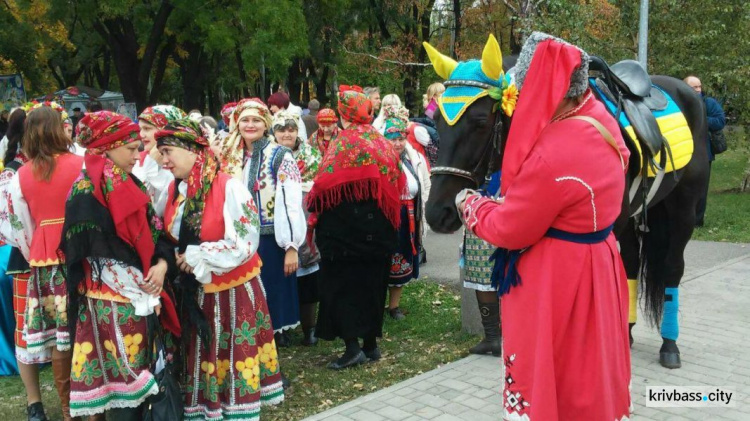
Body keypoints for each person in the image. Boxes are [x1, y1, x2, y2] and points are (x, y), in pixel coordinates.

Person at [456, 33, 631, 420]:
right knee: (587, 370)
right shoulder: (599, 117)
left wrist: (469, 203)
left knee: (553, 366)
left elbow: (508, 228)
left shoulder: (556, 151)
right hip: (596, 265)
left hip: (558, 281)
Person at [156, 119, 283, 419]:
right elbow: (168, 233)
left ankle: (236, 408)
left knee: (230, 354)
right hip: (196, 293)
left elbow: (245, 243)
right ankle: (207, 407)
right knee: (204, 354)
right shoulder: (175, 190)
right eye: (161, 153)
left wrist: (199, 255)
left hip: (231, 293)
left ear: (192, 150)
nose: (164, 160)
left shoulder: (229, 187)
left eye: (168, 151)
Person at [59, 111, 180, 419]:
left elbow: (156, 235)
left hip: (138, 298)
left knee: (141, 377)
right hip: (110, 306)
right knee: (120, 389)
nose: (138, 154)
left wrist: (163, 265)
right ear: (106, 146)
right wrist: (146, 292)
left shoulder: (129, 183)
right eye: (130, 148)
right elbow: (96, 256)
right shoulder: (85, 193)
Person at [307, 85, 403, 369]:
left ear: (344, 113)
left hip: (345, 235)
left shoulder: (345, 142)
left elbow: (323, 185)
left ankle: (352, 348)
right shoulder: (380, 141)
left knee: (343, 287)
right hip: (379, 232)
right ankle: (371, 345)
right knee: (373, 285)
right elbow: (398, 181)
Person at [0, 105, 84, 421]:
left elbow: (17, 227)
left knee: (59, 336)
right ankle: (90, 403)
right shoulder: (82, 164)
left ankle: (68, 409)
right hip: (82, 252)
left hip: (45, 259)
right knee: (84, 329)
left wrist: (39, 244)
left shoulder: (22, 174)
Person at [215, 98, 305, 350]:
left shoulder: (279, 155)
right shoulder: (231, 157)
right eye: (245, 120)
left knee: (273, 296)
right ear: (236, 123)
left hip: (271, 239)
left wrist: (291, 246)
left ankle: (273, 347)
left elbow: (291, 202)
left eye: (256, 120)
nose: (250, 125)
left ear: (266, 124)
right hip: (240, 239)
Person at [0, 108, 49, 420]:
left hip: (55, 259)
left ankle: (71, 394)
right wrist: (34, 249)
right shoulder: (12, 173)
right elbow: (10, 225)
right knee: (25, 332)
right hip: (26, 260)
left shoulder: (56, 168)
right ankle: (34, 403)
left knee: (64, 331)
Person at [272, 111, 322, 346]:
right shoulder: (268, 156)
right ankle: (280, 329)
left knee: (308, 276)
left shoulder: (311, 154)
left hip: (307, 217)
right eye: (282, 129)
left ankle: (309, 328)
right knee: (280, 277)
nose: (287, 133)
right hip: (277, 223)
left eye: (291, 129)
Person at [382, 118, 429, 320]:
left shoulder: (412, 159)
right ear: (385, 140)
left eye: (401, 138)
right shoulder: (381, 162)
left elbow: (423, 184)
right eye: (393, 139)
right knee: (386, 259)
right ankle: (378, 303)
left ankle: (394, 306)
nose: (398, 143)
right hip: (388, 218)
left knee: (403, 257)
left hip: (409, 215)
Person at [684, 75, 726, 227]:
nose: (698, 90)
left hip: (703, 154)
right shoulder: (679, 103)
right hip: (682, 153)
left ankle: (697, 221)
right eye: (694, 87)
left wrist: (700, 119)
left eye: (699, 86)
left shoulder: (708, 103)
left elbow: (720, 121)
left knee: (701, 189)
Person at [134, 105, 186, 203]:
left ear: (166, 130)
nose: (141, 135)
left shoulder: (185, 162)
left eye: (147, 128)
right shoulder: (139, 159)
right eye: (140, 129)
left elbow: (173, 198)